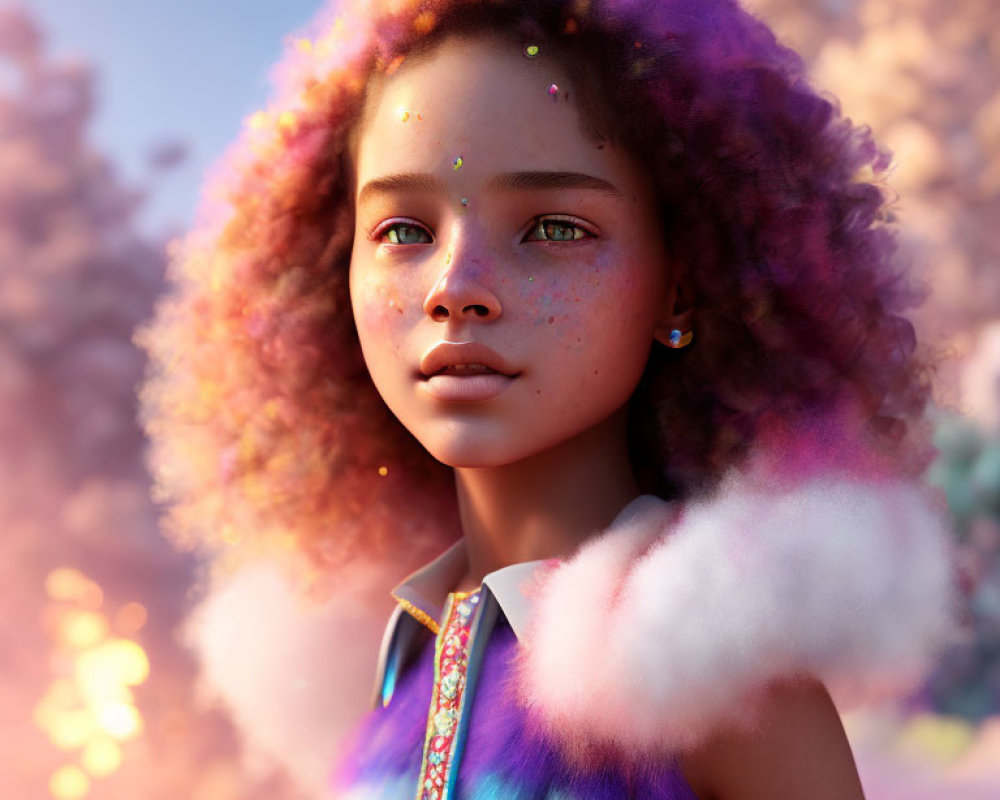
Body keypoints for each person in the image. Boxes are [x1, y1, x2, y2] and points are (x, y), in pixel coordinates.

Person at [137, 0, 957, 797]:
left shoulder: (727, 683)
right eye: (402, 232)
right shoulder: (392, 667)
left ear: (682, 284)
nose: (456, 289)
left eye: (554, 228)